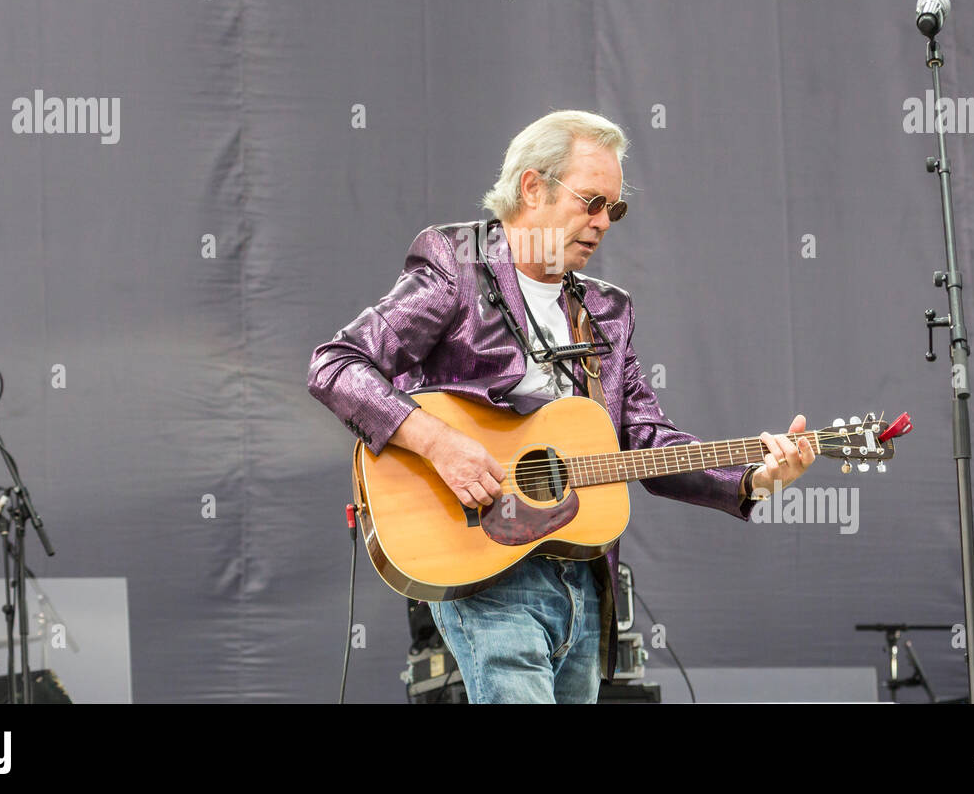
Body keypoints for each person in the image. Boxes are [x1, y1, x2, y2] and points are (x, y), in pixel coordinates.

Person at [308, 110, 816, 702]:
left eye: (616, 210)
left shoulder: (607, 311)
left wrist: (751, 475)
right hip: (486, 569)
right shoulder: (456, 266)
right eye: (592, 202)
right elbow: (337, 364)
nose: (604, 223)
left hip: (584, 582)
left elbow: (646, 439)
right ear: (532, 187)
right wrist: (439, 443)